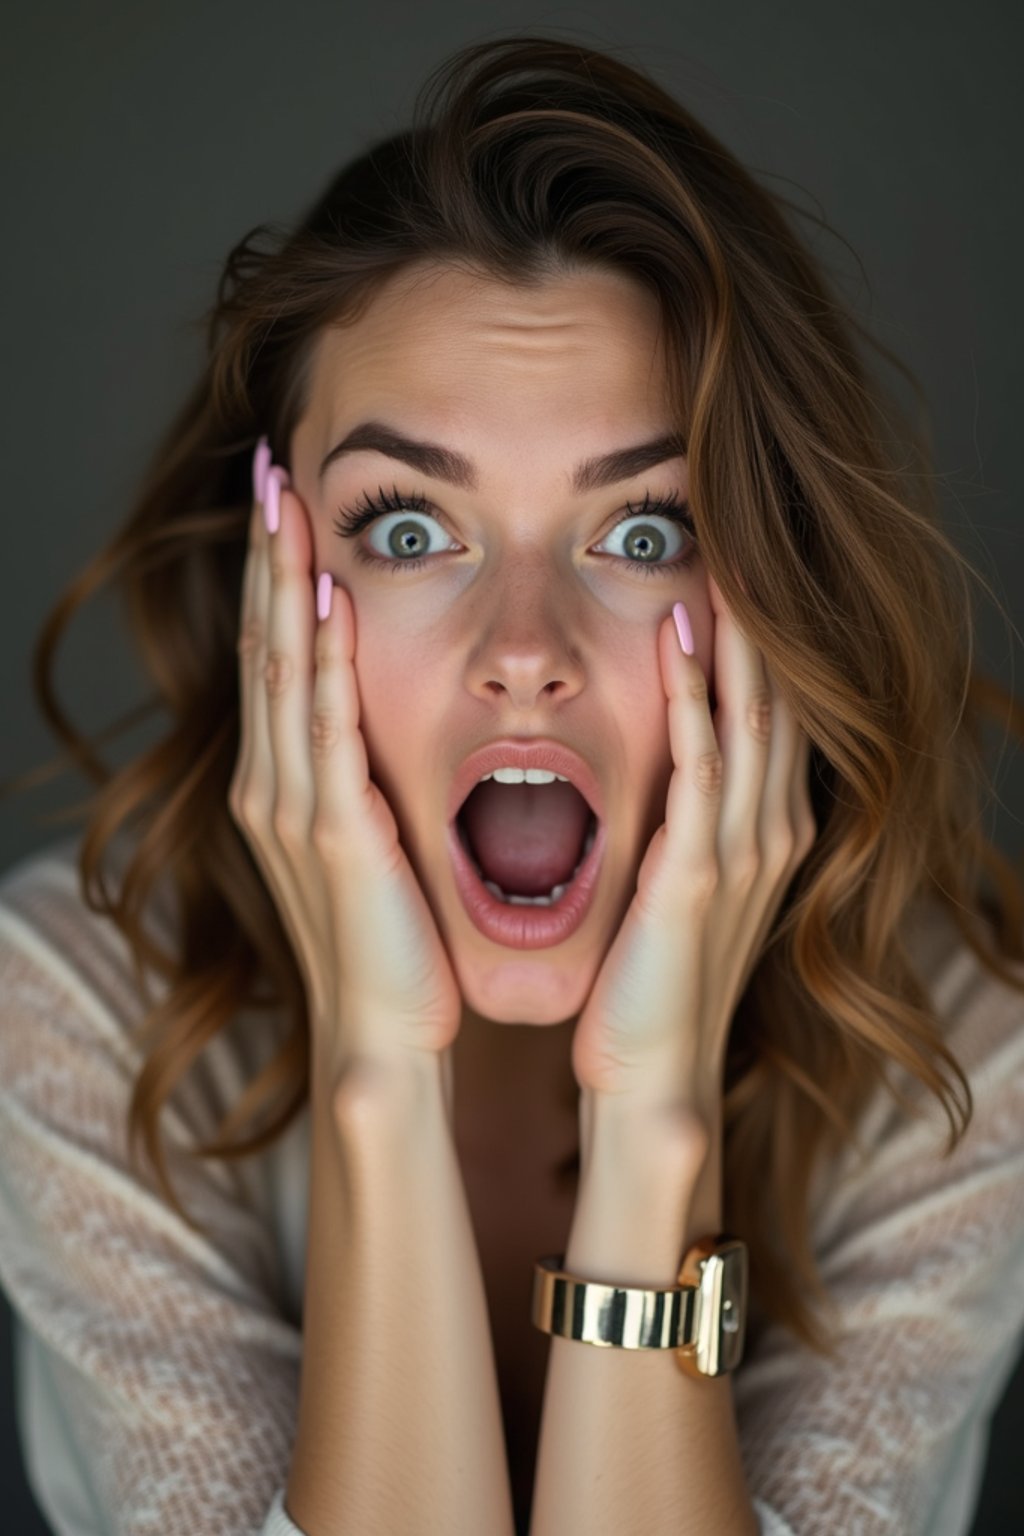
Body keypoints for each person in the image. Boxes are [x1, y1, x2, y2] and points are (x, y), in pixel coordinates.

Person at [1, 34, 1022, 1536]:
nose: (525, 650)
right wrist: (376, 1078)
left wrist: (656, 1119)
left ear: (776, 589)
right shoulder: (76, 1012)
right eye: (409, 529)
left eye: (644, 528)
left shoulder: (962, 1063)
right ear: (275, 596)